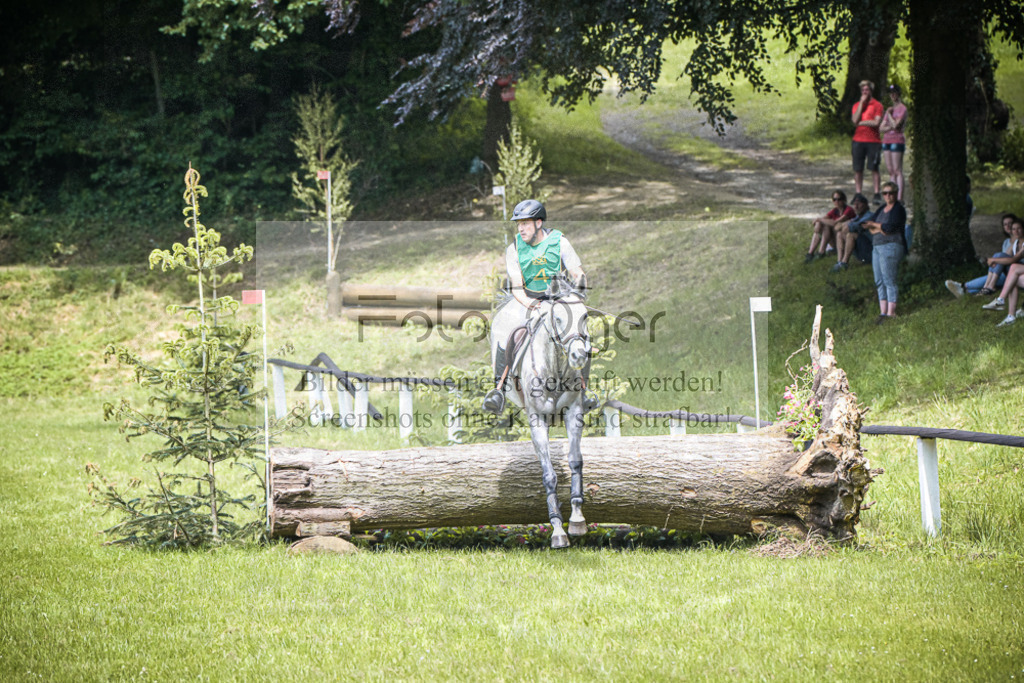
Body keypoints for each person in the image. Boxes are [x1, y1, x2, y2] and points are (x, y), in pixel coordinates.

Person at [482, 199, 594, 414]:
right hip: (527, 300)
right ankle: (498, 390)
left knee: (579, 333)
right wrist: (535, 306)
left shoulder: (560, 242)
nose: (521, 228)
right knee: (503, 328)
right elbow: (516, 289)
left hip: (558, 298)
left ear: (539, 223)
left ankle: (584, 390)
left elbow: (578, 274)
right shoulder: (514, 248)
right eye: (519, 224)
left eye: (525, 223)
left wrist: (577, 295)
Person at [945, 213, 1021, 297]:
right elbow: (1005, 257)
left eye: (1010, 223)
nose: (1008, 226)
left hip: (1014, 270)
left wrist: (995, 260)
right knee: (997, 261)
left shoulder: (1021, 241)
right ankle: (968, 291)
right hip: (1004, 269)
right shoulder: (1006, 242)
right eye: (1005, 224)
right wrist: (996, 261)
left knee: (997, 258)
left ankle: (964, 286)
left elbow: (1008, 258)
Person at [863, 181, 906, 322]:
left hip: (891, 246)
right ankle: (883, 311)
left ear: (896, 193)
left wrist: (878, 227)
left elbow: (890, 228)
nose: (888, 196)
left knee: (889, 279)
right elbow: (869, 226)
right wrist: (880, 227)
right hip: (877, 247)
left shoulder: (898, 209)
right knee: (879, 280)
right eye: (885, 193)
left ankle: (891, 312)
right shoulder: (882, 208)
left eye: (891, 193)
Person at [851, 80, 884, 202]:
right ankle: (858, 192)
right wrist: (861, 103)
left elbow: (876, 122)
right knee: (858, 168)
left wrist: (861, 122)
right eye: (863, 90)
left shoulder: (877, 105)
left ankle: (876, 193)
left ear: (871, 91)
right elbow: (854, 120)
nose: (865, 92)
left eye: (867, 90)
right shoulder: (856, 105)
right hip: (858, 140)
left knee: (874, 167)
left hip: (873, 141)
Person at [804, 190, 856, 263]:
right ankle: (810, 253)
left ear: (844, 200)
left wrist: (819, 220)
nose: (836, 202)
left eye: (839, 199)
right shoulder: (835, 210)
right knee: (823, 225)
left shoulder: (848, 210)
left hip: (843, 239)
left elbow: (836, 222)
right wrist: (818, 222)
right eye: (834, 199)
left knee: (826, 225)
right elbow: (823, 219)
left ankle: (821, 252)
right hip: (835, 238)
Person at [830, 193, 877, 272]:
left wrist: (846, 224)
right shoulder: (857, 217)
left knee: (851, 235)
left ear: (865, 205)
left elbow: (851, 227)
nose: (856, 207)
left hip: (871, 251)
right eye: (854, 204)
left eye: (859, 204)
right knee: (840, 234)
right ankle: (839, 262)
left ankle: (844, 263)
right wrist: (845, 224)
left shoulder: (870, 216)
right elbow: (837, 227)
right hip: (862, 249)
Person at [879, 84, 908, 201]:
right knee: (890, 170)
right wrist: (891, 125)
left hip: (897, 140)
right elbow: (881, 128)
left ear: (898, 94)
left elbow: (897, 125)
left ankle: (899, 197)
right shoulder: (889, 109)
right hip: (886, 140)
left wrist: (890, 116)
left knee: (897, 170)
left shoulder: (902, 109)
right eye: (891, 93)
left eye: (894, 93)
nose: (892, 95)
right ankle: (892, 195)